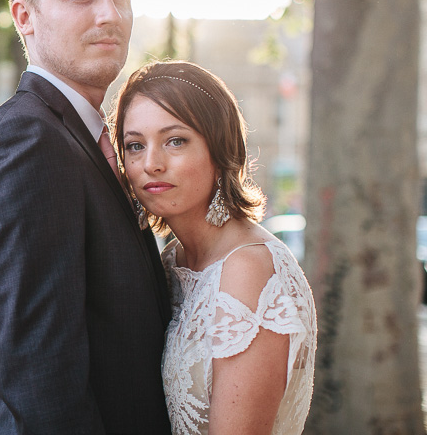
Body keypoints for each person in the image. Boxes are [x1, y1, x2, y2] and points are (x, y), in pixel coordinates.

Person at [0, 0, 171, 434]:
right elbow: (39, 375)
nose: (110, 15)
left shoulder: (87, 137)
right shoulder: (26, 143)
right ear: (24, 17)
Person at [112, 60, 317, 435]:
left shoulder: (248, 270)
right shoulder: (172, 259)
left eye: (175, 140)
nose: (151, 164)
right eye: (135, 145)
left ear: (219, 148)